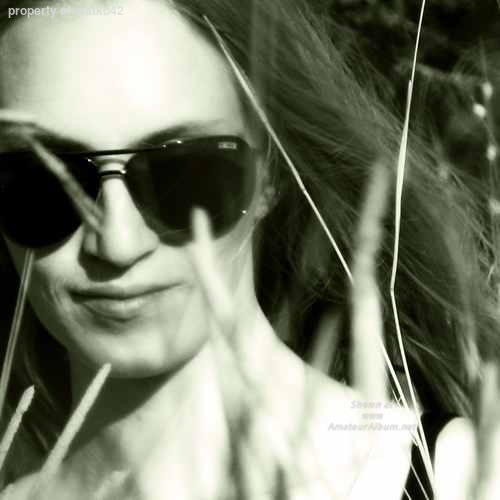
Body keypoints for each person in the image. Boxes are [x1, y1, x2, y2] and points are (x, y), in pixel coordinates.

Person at [0, 0, 495, 498]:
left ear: (270, 172)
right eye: (40, 182)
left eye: (185, 175)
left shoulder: (461, 478)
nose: (117, 243)